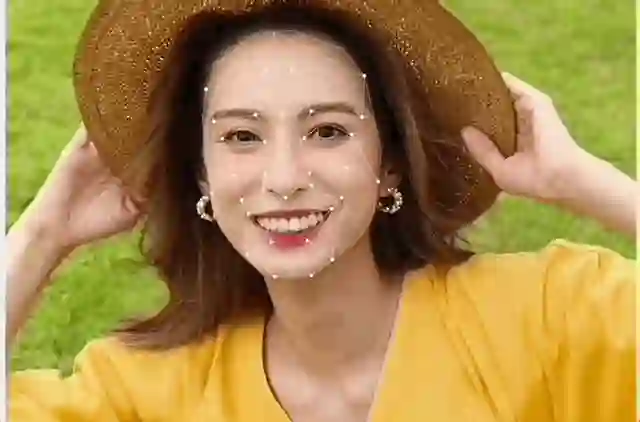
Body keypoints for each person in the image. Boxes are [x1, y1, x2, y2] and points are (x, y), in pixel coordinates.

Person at [8, 1, 636, 421]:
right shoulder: (149, 389)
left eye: (328, 131)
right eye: (241, 137)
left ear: (390, 164)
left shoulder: (551, 315)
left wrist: (588, 185)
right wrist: (41, 236)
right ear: (202, 174)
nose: (284, 180)